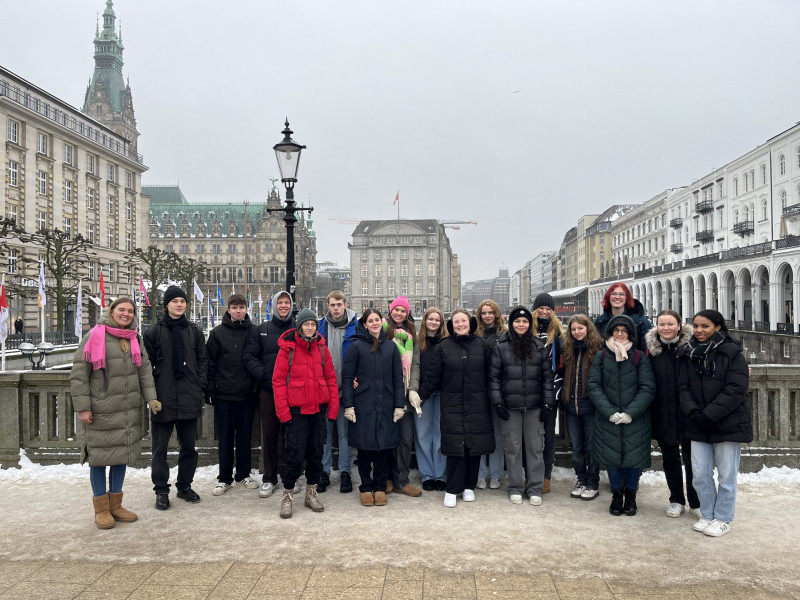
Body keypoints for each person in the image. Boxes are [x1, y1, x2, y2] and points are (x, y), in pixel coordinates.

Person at [70, 297, 156, 529]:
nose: (126, 314)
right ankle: (101, 509)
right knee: (98, 459)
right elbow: (79, 375)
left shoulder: (135, 338)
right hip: (100, 408)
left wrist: (152, 398)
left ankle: (116, 505)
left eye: (130, 311)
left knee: (121, 456)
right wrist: (83, 407)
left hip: (126, 408)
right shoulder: (95, 335)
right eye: (121, 310)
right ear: (111, 311)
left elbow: (144, 370)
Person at [678, 310, 751, 538]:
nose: (699, 330)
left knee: (727, 475)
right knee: (699, 474)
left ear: (718, 327)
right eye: (696, 326)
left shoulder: (732, 353)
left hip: (727, 422)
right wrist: (694, 412)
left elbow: (736, 390)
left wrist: (709, 415)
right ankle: (707, 514)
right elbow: (682, 387)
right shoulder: (688, 352)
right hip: (698, 422)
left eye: (705, 326)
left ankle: (723, 518)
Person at [419, 309, 494, 508]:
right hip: (452, 403)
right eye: (457, 322)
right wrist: (421, 396)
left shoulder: (483, 346)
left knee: (474, 446)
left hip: (477, 402)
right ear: (452, 325)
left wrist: (496, 399)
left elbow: (491, 376)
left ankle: (469, 486)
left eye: (464, 321)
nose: (460, 324)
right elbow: (433, 376)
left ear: (470, 323)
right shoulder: (444, 347)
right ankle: (452, 488)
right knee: (455, 446)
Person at [142, 285, 208, 510]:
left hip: (189, 396)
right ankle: (161, 489)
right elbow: (144, 367)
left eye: (182, 301)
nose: (179, 304)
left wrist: (200, 385)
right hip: (164, 397)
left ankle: (184, 485)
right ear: (166, 305)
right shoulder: (152, 333)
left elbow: (202, 362)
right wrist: (151, 395)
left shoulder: (195, 332)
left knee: (189, 447)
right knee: (160, 449)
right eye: (175, 301)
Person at [271, 309, 339, 519]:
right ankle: (288, 496)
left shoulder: (321, 349)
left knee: (316, 456)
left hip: (318, 410)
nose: (310, 328)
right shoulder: (288, 350)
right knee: (293, 456)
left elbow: (331, 379)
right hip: (296, 411)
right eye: (306, 324)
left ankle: (311, 493)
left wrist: (333, 408)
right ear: (299, 326)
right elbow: (279, 382)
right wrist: (283, 413)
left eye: (313, 325)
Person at [587, 314, 655, 517]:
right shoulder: (601, 356)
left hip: (635, 418)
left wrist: (630, 413)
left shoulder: (639, 357)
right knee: (612, 457)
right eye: (616, 330)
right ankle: (616, 494)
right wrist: (609, 412)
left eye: (623, 331)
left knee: (634, 458)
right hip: (608, 417)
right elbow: (593, 386)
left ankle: (631, 495)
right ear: (609, 333)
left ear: (631, 334)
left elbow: (647, 388)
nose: (619, 334)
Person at [489, 306, 554, 506]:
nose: (521, 325)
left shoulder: (538, 346)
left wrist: (547, 401)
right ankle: (515, 486)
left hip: (534, 406)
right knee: (513, 448)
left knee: (535, 448)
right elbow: (494, 378)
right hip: (510, 406)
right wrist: (498, 401)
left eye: (525, 322)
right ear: (512, 324)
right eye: (517, 321)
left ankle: (534, 487)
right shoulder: (501, 347)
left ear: (530, 324)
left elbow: (547, 377)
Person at [341, 308, 405, 507]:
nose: (375, 323)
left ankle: (379, 486)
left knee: (383, 448)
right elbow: (348, 377)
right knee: (365, 448)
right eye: (371, 321)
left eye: (377, 320)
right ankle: (365, 487)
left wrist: (398, 405)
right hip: (364, 403)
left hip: (385, 402)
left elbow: (397, 378)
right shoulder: (357, 346)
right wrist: (349, 405)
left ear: (382, 322)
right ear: (365, 324)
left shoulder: (391, 348)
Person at [645, 310, 699, 518]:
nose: (666, 328)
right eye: (661, 324)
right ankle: (676, 499)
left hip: (688, 412)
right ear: (656, 327)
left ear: (679, 325)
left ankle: (696, 501)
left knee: (692, 459)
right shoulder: (651, 351)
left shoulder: (692, 348)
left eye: (670, 324)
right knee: (670, 459)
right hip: (663, 412)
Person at [243, 290, 295, 498]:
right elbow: (249, 357)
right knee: (270, 435)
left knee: (291, 437)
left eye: (286, 302)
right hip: (269, 390)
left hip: (293, 391)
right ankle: (270, 478)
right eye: (280, 302)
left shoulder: (298, 328)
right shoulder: (262, 329)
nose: (283, 306)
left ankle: (289, 478)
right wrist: (265, 376)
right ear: (274, 306)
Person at [206, 294, 259, 496]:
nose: (238, 311)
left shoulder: (253, 332)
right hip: (224, 394)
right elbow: (210, 364)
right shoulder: (217, 333)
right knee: (226, 438)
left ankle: (243, 474)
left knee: (245, 437)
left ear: (246, 309)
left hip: (246, 393)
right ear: (228, 309)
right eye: (234, 307)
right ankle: (224, 477)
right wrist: (210, 390)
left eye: (241, 307)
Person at [317, 290, 358, 494]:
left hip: (347, 388)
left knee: (344, 434)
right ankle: (324, 471)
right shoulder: (319, 326)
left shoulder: (356, 326)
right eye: (332, 305)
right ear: (328, 306)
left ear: (345, 305)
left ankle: (344, 471)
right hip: (325, 388)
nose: (335, 308)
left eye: (339, 304)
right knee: (325, 433)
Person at [383, 296, 422, 497]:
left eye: (403, 311)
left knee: (405, 438)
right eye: (396, 310)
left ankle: (401, 479)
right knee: (386, 437)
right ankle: (387, 479)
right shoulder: (382, 330)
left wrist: (413, 388)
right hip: (386, 391)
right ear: (391, 311)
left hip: (405, 392)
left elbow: (415, 363)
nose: (399, 313)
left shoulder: (411, 334)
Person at [561, 314, 603, 500]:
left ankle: (593, 481)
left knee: (592, 447)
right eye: (574, 329)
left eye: (581, 328)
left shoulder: (598, 349)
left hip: (591, 406)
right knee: (576, 448)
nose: (577, 332)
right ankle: (581, 479)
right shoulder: (568, 349)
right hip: (571, 406)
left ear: (588, 329)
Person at [408, 307, 448, 491]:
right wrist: (414, 390)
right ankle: (426, 474)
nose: (433, 322)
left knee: (440, 435)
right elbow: (414, 366)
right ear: (424, 321)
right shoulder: (417, 341)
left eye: (437, 320)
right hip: (422, 394)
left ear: (441, 323)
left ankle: (440, 474)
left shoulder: (447, 342)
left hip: (443, 393)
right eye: (430, 319)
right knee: (422, 435)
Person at [531, 293, 564, 494]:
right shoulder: (527, 331)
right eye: (541, 308)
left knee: (549, 436)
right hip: (530, 391)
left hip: (553, 390)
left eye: (548, 309)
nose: (544, 312)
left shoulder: (559, 334)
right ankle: (532, 474)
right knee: (531, 436)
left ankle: (546, 476)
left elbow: (562, 364)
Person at [474, 299, 506, 490]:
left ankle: (495, 474)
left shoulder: (504, 335)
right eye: (484, 313)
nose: (487, 316)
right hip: (478, 389)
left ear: (496, 314)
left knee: (497, 434)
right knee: (477, 434)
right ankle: (479, 474)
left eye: (490, 312)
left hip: (498, 389)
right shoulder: (474, 334)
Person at [593, 282, 652, 352]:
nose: (617, 297)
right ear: (608, 297)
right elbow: (595, 347)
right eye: (614, 294)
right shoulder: (600, 322)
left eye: (621, 294)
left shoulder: (641, 322)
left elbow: (645, 350)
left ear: (627, 298)